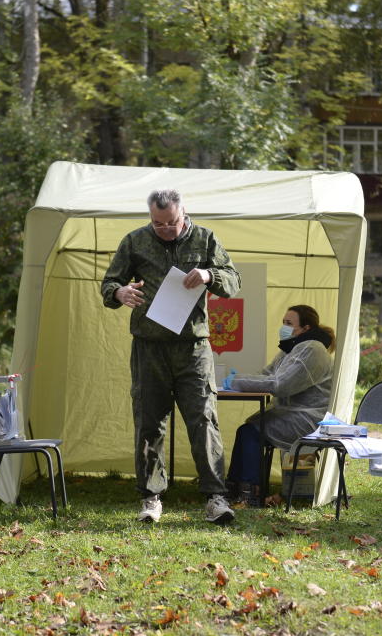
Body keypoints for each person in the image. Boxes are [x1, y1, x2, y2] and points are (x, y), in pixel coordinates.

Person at [101, 189, 241, 525]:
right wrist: (120, 291)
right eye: (157, 223)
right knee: (149, 422)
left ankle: (215, 498)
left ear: (184, 213)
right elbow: (109, 284)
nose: (165, 229)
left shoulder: (206, 240)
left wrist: (210, 275)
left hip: (193, 348)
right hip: (149, 347)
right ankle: (151, 498)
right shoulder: (134, 241)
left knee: (203, 419)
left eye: (171, 223)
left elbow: (233, 281)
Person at [224, 305, 335, 504]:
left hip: (309, 417)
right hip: (292, 413)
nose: (283, 327)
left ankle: (250, 494)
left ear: (306, 328)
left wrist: (236, 382)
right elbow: (266, 375)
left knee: (251, 432)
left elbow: (280, 385)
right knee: (246, 430)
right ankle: (234, 487)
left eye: (289, 323)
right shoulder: (292, 348)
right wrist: (238, 379)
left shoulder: (313, 350)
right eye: (283, 322)